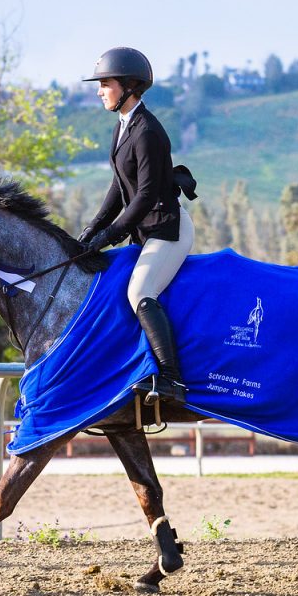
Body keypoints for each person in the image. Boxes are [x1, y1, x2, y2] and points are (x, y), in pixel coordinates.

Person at [78, 47, 195, 404]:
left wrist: (108, 236)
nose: (99, 90)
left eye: (105, 84)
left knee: (139, 292)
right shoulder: (123, 126)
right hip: (145, 228)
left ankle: (172, 380)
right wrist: (91, 229)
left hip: (166, 228)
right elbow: (118, 186)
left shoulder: (146, 131)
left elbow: (143, 197)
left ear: (128, 86)